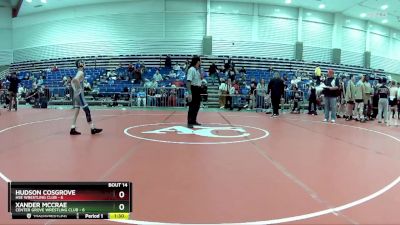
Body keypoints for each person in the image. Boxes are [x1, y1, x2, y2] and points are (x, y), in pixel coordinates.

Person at [70, 60, 102, 135]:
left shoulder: (78, 72)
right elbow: (75, 80)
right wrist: (79, 89)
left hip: (76, 95)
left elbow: (72, 81)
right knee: (87, 111)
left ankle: (72, 128)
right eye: (84, 63)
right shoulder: (81, 72)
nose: (85, 64)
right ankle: (92, 129)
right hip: (80, 95)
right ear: (81, 65)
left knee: (76, 112)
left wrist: (75, 89)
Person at [186, 56, 202, 128]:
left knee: (197, 106)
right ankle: (189, 122)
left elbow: (201, 78)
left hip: (198, 89)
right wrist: (190, 93)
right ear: (197, 61)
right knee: (192, 106)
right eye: (200, 61)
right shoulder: (191, 69)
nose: (201, 62)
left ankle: (194, 120)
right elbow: (188, 81)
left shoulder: (197, 70)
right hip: (193, 89)